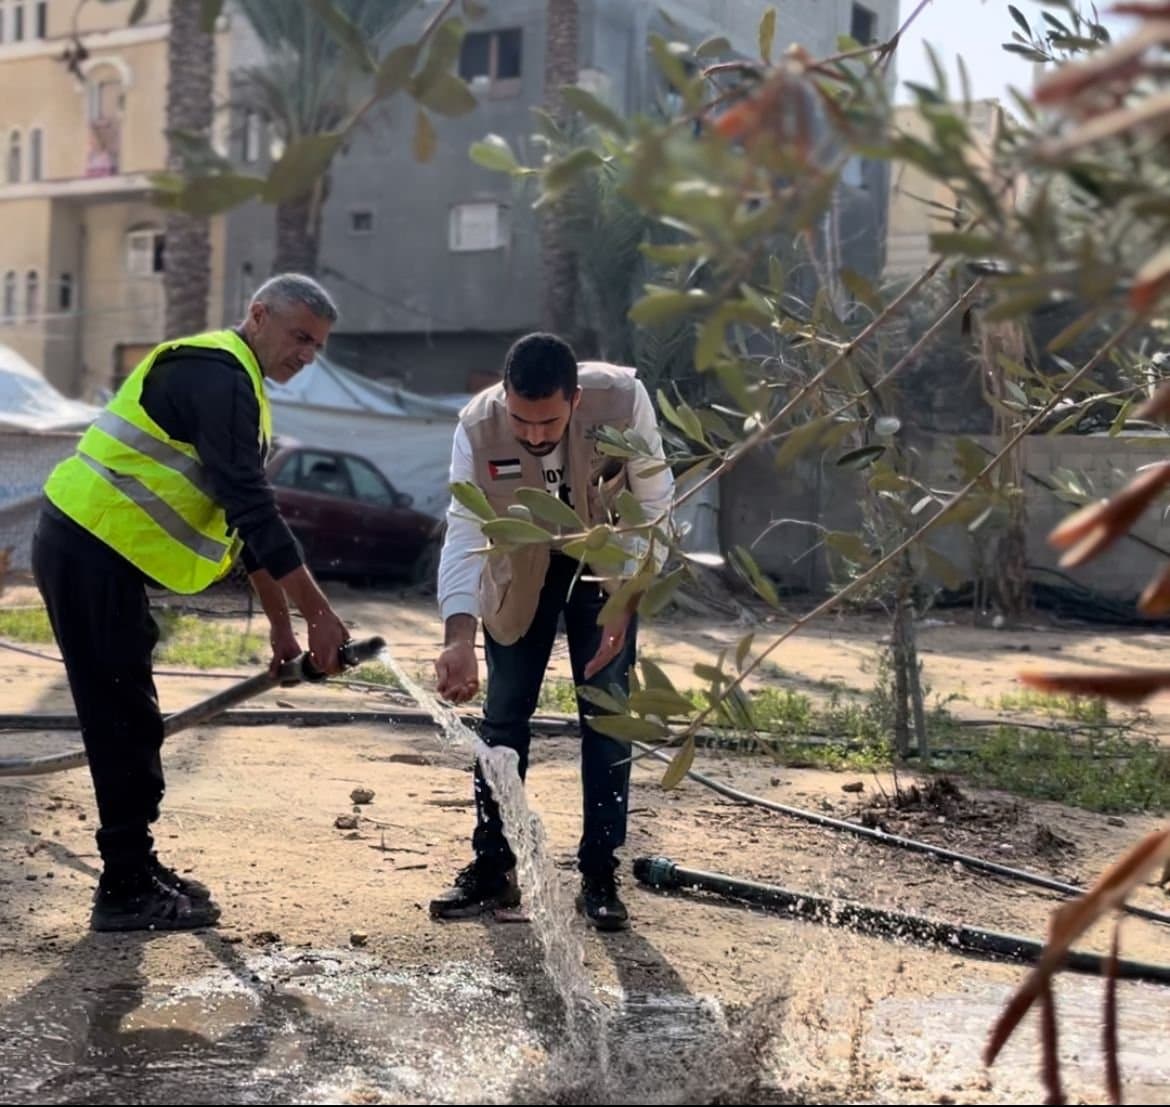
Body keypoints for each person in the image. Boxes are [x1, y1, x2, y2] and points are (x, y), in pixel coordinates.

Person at [32, 273, 351, 933]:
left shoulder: (242, 391)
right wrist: (319, 610)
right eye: (299, 336)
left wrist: (283, 627)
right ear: (258, 315)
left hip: (101, 556)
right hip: (86, 546)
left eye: (317, 346)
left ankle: (137, 866)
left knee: (131, 712)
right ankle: (123, 886)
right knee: (120, 715)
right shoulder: (217, 372)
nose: (306, 355)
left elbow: (246, 526)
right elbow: (253, 505)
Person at [431, 332, 674, 931]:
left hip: (606, 565)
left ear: (577, 398)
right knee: (504, 718)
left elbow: (656, 501)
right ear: (505, 396)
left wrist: (626, 599)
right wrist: (458, 637)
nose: (534, 435)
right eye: (521, 420)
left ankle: (599, 873)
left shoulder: (623, 400)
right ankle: (493, 868)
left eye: (548, 422)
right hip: (521, 568)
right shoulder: (476, 425)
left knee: (607, 715)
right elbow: (465, 529)